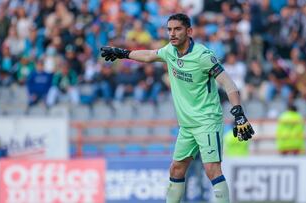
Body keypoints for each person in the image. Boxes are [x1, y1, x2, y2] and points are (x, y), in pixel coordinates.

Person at [100, 13, 255, 203]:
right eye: (169, 29)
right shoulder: (169, 52)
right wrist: (122, 54)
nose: (172, 34)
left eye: (177, 29)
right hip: (187, 126)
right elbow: (149, 55)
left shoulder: (203, 56)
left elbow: (229, 84)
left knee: (212, 170)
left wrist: (238, 113)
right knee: (176, 169)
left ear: (189, 31)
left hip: (207, 121)